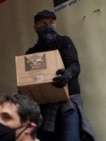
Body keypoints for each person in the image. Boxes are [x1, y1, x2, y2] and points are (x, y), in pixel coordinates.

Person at [24, 10, 96, 141]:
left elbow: (74, 65)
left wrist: (67, 74)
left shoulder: (64, 42)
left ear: (55, 24)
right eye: (43, 24)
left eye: (51, 23)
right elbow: (26, 80)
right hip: (43, 109)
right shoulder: (31, 53)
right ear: (35, 28)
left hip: (67, 104)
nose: (48, 26)